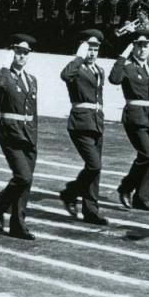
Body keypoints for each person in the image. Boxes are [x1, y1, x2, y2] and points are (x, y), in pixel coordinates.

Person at [0, 34, 39, 240]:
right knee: (22, 176)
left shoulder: (32, 80)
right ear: (12, 52)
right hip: (11, 133)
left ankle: (18, 225)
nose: (21, 56)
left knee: (26, 182)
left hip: (29, 134)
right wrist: (4, 64)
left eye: (25, 53)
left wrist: (35, 137)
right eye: (18, 51)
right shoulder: (2, 76)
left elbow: (34, 110)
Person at [58, 29, 108, 225]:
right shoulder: (77, 68)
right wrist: (78, 57)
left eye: (96, 49)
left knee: (94, 169)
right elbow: (65, 75)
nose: (93, 52)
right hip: (80, 123)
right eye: (89, 48)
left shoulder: (99, 71)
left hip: (96, 122)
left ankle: (91, 211)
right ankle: (70, 192)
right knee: (95, 165)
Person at [108, 29, 149, 211]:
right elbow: (113, 79)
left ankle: (142, 197)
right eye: (139, 46)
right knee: (146, 155)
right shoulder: (128, 67)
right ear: (134, 47)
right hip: (135, 117)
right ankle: (126, 187)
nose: (143, 50)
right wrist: (123, 55)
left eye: (146, 46)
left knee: (148, 159)